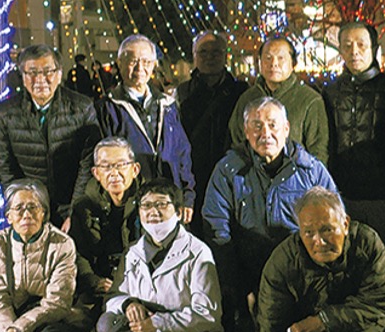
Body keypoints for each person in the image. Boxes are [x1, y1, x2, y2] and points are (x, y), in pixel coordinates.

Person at [203, 97, 336, 332]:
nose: (266, 133)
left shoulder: (310, 170)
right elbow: (216, 224)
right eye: (257, 126)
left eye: (273, 125)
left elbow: (334, 219)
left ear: (286, 129)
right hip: (250, 264)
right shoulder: (229, 169)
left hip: (300, 264)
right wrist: (234, 279)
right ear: (245, 131)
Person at [257, 186, 385, 332]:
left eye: (327, 230)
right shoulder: (283, 262)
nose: (319, 242)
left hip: (362, 329)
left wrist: (324, 321)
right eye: (309, 233)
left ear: (345, 224)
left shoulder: (367, 243)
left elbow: (377, 304)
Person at [97, 178, 223, 332]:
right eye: (146, 205)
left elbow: (207, 314)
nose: (153, 211)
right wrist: (129, 304)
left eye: (162, 204)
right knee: (106, 323)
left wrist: (158, 325)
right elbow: (112, 298)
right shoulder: (132, 252)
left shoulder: (198, 252)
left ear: (178, 211)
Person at [0, 179, 85, 332]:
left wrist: (18, 330)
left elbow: (57, 303)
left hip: (53, 317)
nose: (26, 214)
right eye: (19, 209)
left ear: (44, 213)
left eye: (33, 207)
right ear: (8, 216)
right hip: (14, 317)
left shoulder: (62, 243)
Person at [0, 44, 100, 228]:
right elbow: (5, 168)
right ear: (23, 77)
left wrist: (75, 212)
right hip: (30, 208)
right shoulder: (6, 113)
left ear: (59, 74)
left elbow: (87, 165)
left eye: (48, 71)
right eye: (32, 72)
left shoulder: (82, 108)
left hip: (71, 203)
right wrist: (20, 209)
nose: (40, 79)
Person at [98, 34, 196, 224]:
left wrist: (187, 196)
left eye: (145, 61)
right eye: (133, 61)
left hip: (169, 202)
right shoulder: (108, 107)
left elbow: (183, 153)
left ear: (153, 65)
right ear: (120, 63)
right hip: (131, 205)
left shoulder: (167, 105)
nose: (139, 68)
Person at [321, 21, 385, 254]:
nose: (354, 51)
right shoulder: (330, 92)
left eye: (361, 45)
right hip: (343, 195)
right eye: (347, 45)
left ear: (374, 48)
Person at [175, 31, 247, 237]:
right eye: (203, 52)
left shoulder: (240, 92)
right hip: (194, 177)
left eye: (216, 52)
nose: (209, 57)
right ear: (194, 55)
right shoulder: (182, 93)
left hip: (231, 175)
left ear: (226, 56)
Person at [229, 36, 329, 164]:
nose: (274, 64)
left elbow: (319, 151)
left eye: (281, 58)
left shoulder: (310, 100)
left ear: (293, 63)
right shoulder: (247, 98)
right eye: (268, 58)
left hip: (295, 179)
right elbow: (236, 141)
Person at [69, 137, 143, 300]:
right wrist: (94, 281)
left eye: (121, 165)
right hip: (101, 289)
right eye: (106, 166)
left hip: (142, 287)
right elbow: (78, 254)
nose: (114, 173)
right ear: (96, 173)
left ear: (135, 169)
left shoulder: (150, 203)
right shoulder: (83, 207)